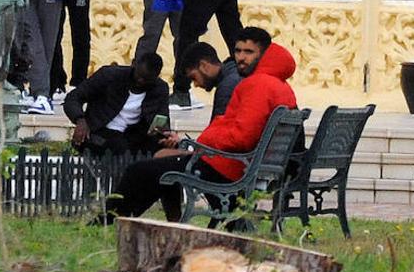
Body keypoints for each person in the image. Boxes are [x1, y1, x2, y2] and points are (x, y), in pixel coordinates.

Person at [97, 27, 297, 224]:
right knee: (154, 168)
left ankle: (108, 221)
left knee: (139, 170)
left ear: (263, 53)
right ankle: (123, 220)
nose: (241, 58)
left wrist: (204, 142)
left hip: (225, 167)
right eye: (237, 51)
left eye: (249, 52)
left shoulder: (257, 84)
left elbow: (241, 137)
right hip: (236, 163)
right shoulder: (277, 84)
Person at [63, 53, 169, 155]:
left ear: (156, 77)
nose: (141, 81)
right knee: (120, 147)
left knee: (165, 149)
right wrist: (80, 120)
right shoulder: (109, 75)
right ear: (134, 65)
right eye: (139, 75)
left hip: (134, 135)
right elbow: (73, 98)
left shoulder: (160, 89)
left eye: (147, 79)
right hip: (100, 132)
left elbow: (162, 119)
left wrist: (164, 134)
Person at [177, 41, 242, 120]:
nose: (195, 84)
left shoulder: (227, 87)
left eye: (193, 77)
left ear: (204, 66)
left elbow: (219, 129)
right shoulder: (235, 74)